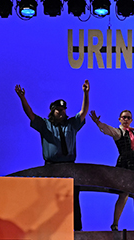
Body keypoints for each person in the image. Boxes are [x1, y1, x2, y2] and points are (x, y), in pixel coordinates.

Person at [15, 80, 90, 230]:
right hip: (51, 167)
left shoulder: (71, 124)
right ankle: (51, 229)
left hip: (70, 167)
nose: (61, 112)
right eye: (58, 109)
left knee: (73, 199)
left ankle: (76, 231)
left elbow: (83, 112)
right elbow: (30, 114)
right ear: (52, 111)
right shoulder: (45, 125)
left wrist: (86, 93)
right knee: (50, 199)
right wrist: (23, 98)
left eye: (63, 109)